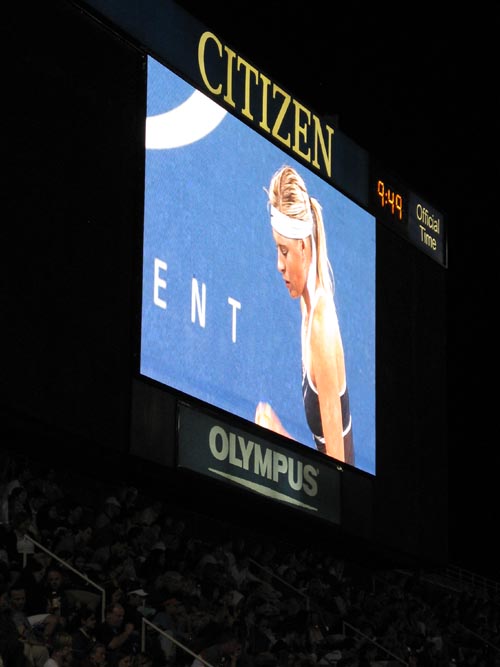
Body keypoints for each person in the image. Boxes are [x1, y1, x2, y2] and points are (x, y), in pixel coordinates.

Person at [255, 165, 354, 465]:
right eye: (277, 251)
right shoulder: (307, 304)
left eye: (284, 252)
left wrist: (278, 434)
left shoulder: (321, 330)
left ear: (303, 246)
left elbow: (339, 472)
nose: (279, 265)